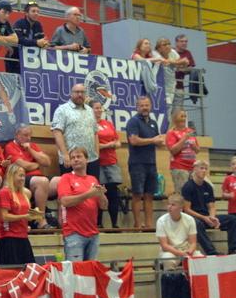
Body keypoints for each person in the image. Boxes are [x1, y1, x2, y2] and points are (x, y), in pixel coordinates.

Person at [181, 160, 236, 256]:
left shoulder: (208, 187)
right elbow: (187, 210)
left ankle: (234, 249)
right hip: (193, 218)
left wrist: (212, 217)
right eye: (201, 168)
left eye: (206, 169)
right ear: (195, 169)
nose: (204, 171)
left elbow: (212, 206)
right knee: (197, 224)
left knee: (233, 219)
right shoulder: (188, 186)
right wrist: (204, 218)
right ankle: (211, 252)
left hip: (206, 217)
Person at [58, 147, 108, 261]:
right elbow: (65, 201)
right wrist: (88, 194)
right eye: (73, 158)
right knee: (76, 269)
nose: (75, 159)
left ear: (86, 159)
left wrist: (101, 194)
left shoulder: (93, 179)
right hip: (74, 233)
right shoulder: (66, 178)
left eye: (79, 156)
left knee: (90, 270)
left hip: (93, 233)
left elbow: (104, 206)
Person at [4, 124, 59, 229]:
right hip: (22, 179)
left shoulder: (32, 146)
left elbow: (47, 162)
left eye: (30, 135)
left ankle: (62, 221)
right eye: (25, 135)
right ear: (17, 135)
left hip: (38, 178)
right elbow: (25, 166)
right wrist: (38, 164)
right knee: (42, 181)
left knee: (60, 181)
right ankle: (41, 220)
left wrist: (30, 150)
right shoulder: (10, 147)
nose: (28, 138)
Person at [125, 96, 164, 229]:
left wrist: (162, 142)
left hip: (151, 164)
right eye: (142, 106)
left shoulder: (153, 123)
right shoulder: (133, 122)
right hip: (137, 163)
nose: (144, 108)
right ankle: (137, 225)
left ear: (150, 106)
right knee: (137, 194)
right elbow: (134, 140)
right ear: (137, 107)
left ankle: (148, 225)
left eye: (147, 105)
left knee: (149, 195)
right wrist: (153, 140)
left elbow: (158, 141)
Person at [51, 83, 100, 177]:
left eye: (82, 92)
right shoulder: (62, 110)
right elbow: (57, 132)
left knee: (93, 185)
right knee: (71, 186)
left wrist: (97, 154)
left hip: (91, 160)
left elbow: (95, 132)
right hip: (71, 159)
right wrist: (65, 154)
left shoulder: (90, 110)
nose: (80, 94)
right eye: (77, 92)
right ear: (71, 94)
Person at [0, 164, 38, 265]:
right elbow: (4, 216)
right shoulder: (5, 192)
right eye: (20, 175)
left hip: (23, 236)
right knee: (12, 270)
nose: (23, 178)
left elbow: (23, 214)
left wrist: (30, 218)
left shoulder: (24, 193)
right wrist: (24, 217)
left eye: (24, 176)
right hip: (9, 237)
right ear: (12, 176)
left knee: (28, 269)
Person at [92, 100, 122, 229]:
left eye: (100, 108)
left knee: (113, 193)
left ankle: (114, 224)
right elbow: (93, 144)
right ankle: (99, 223)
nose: (99, 110)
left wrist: (111, 144)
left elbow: (118, 142)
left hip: (111, 162)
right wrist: (108, 145)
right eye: (96, 108)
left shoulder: (108, 124)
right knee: (99, 193)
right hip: (98, 163)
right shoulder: (90, 124)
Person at [155, 194, 201, 270]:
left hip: (186, 249)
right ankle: (170, 277)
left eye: (173, 205)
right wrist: (180, 253)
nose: (169, 207)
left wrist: (189, 252)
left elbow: (193, 243)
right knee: (168, 259)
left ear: (181, 208)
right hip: (170, 251)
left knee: (199, 257)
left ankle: (195, 277)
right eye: (168, 204)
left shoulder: (190, 220)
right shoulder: (161, 221)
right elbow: (164, 245)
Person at [10, 1, 49, 74]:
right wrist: (36, 42)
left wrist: (44, 44)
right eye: (33, 11)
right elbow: (19, 40)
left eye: (38, 12)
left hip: (32, 62)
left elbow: (41, 40)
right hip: (15, 61)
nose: (36, 13)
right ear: (26, 13)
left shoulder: (38, 25)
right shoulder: (19, 23)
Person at [166, 109, 199, 192]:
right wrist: (184, 139)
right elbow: (173, 151)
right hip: (179, 167)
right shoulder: (171, 133)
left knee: (194, 193)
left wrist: (194, 146)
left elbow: (197, 150)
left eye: (185, 116)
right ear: (174, 118)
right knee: (182, 193)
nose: (184, 118)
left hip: (193, 168)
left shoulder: (190, 131)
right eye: (181, 116)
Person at [151, 37, 181, 108]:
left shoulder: (173, 52)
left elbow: (182, 63)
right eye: (164, 45)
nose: (168, 46)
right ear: (158, 48)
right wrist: (174, 62)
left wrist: (174, 62)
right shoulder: (154, 53)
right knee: (163, 106)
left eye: (169, 44)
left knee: (169, 107)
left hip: (170, 85)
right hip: (157, 85)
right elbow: (164, 62)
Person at [173, 34, 196, 109]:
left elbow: (191, 68)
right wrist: (182, 66)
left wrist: (180, 69)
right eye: (182, 41)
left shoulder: (187, 53)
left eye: (186, 41)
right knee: (167, 109)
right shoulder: (171, 51)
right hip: (168, 86)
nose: (184, 43)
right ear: (176, 42)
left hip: (179, 86)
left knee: (178, 110)